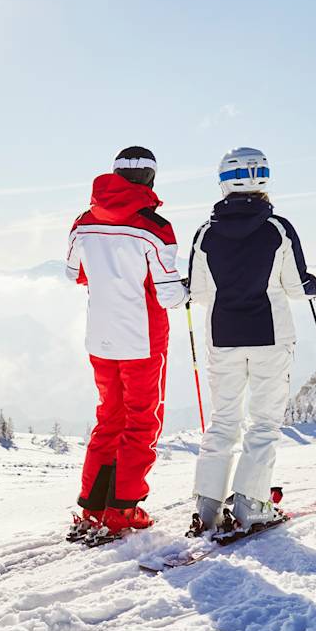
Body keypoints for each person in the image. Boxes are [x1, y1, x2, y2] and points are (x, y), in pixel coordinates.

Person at [186, 146, 316, 536]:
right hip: (270, 338)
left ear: (224, 182)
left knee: (223, 421)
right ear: (264, 178)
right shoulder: (277, 228)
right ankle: (250, 505)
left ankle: (207, 508)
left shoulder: (206, 232)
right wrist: (313, 286)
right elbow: (297, 288)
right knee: (263, 423)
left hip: (223, 338)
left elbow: (197, 291)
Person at [65, 146, 188, 537]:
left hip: (99, 336)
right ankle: (123, 509)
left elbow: (74, 274)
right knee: (140, 422)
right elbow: (168, 295)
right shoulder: (154, 227)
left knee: (109, 418)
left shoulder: (83, 222)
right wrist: (185, 288)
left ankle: (92, 506)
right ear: (151, 179)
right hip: (142, 338)